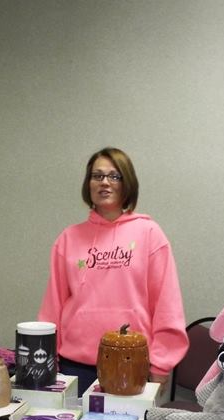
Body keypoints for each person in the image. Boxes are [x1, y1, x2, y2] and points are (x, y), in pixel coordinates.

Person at [37, 147, 189, 396]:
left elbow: (167, 305)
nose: (104, 182)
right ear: (88, 184)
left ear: (127, 183)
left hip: (132, 365)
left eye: (114, 176)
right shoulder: (68, 238)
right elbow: (53, 306)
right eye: (97, 176)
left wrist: (161, 365)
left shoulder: (150, 234)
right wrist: (44, 358)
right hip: (75, 367)